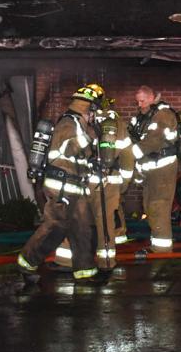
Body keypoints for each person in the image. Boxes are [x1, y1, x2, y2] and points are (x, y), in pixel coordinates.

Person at [16, 84, 103, 285]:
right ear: (87, 109)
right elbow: (71, 148)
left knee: (82, 228)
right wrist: (91, 136)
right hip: (61, 186)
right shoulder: (68, 124)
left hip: (75, 186)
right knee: (54, 228)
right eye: (94, 111)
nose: (95, 116)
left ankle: (85, 271)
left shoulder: (79, 125)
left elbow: (80, 157)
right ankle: (26, 263)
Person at [54, 94, 131, 272]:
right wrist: (124, 183)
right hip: (109, 182)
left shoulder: (85, 123)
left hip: (86, 180)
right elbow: (128, 157)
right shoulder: (118, 125)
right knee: (106, 222)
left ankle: (65, 260)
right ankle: (106, 262)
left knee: (77, 219)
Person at [129, 85, 181, 254]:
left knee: (159, 206)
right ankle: (156, 244)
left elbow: (154, 141)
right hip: (150, 170)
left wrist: (130, 155)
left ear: (152, 98)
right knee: (149, 206)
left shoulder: (163, 115)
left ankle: (162, 250)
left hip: (163, 169)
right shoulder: (144, 117)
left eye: (142, 100)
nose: (140, 104)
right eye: (137, 101)